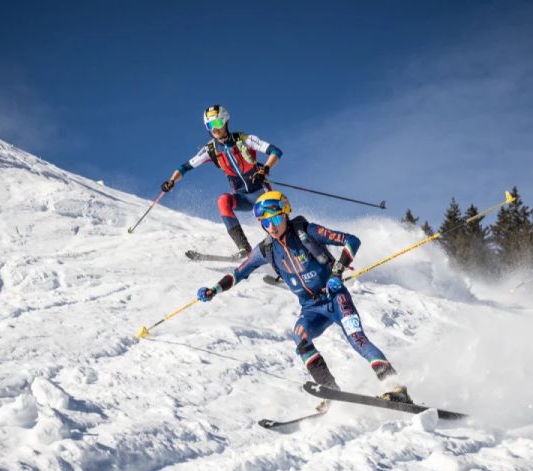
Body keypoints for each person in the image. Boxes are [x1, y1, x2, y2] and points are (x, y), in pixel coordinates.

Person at [195, 191, 411, 411]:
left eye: (277, 219)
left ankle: (397, 390)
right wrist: (214, 289)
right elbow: (238, 273)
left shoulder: (307, 231)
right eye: (266, 222)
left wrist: (337, 273)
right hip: (311, 308)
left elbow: (352, 241)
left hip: (335, 297)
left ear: (286, 215)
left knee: (357, 339)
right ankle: (330, 389)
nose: (272, 226)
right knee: (300, 336)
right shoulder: (266, 249)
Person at [161, 105, 282, 257]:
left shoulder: (244, 139)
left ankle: (284, 248)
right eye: (210, 126)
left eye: (217, 124)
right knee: (223, 201)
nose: (215, 129)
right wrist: (171, 181)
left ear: (225, 122)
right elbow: (185, 167)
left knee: (272, 222)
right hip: (242, 197)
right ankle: (244, 249)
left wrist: (265, 169)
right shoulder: (210, 150)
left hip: (261, 193)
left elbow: (275, 151)